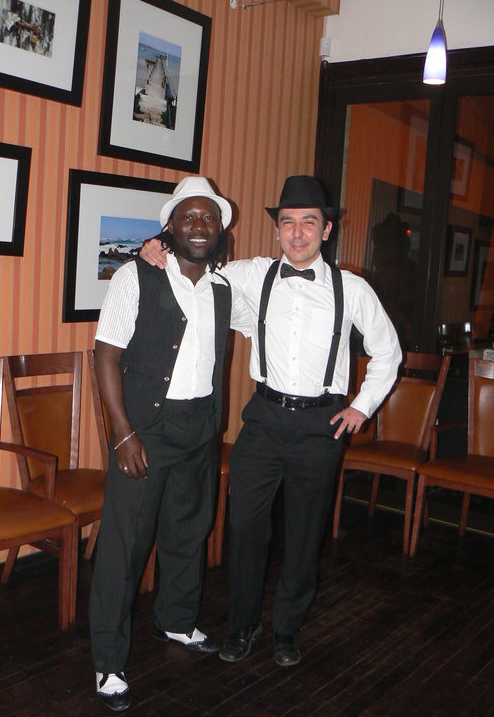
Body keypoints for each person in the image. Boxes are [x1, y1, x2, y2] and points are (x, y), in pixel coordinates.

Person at [140, 175, 401, 669]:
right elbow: (196, 259)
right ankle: (242, 626)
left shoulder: (353, 289)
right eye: (288, 223)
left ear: (326, 230)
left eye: (309, 223)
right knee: (244, 529)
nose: (298, 233)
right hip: (262, 422)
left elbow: (388, 353)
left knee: (304, 534)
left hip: (321, 425)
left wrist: (361, 407)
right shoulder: (252, 274)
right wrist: (156, 246)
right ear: (277, 229)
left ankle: (286, 629)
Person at [89, 176, 250, 712]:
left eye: (209, 217)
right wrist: (123, 432)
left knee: (189, 530)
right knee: (125, 545)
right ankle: (108, 661)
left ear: (220, 229)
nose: (199, 225)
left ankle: (177, 620)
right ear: (171, 227)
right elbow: (105, 354)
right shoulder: (136, 275)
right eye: (189, 217)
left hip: (200, 426)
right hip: (145, 429)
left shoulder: (224, 288)